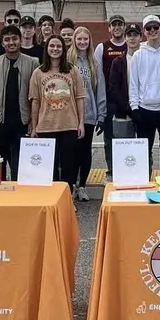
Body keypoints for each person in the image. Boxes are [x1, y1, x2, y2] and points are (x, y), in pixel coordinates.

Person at [29, 35, 85, 188]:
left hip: (69, 125)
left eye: (58, 46)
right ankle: (52, 200)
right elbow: (35, 101)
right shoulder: (38, 73)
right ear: (46, 49)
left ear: (64, 49)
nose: (55, 49)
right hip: (46, 126)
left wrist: (81, 123)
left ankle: (67, 199)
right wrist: (34, 127)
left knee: (68, 166)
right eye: (52, 46)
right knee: (49, 168)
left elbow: (80, 97)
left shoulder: (73, 71)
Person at [129, 15, 160, 178]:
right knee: (144, 150)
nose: (152, 31)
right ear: (144, 32)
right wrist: (134, 107)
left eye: (155, 27)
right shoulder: (138, 55)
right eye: (148, 28)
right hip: (145, 110)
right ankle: (144, 180)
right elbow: (134, 84)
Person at [0, 25, 39, 181]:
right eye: (7, 40)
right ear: (2, 43)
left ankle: (19, 198)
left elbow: (36, 96)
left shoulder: (33, 63)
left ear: (20, 40)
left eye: (14, 39)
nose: (11, 42)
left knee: (19, 165)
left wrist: (33, 121)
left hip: (22, 120)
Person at [69, 27, 105, 201]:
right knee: (71, 152)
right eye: (79, 39)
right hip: (69, 114)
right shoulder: (68, 61)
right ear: (74, 40)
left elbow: (100, 90)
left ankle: (82, 185)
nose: (82, 42)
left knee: (85, 151)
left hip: (89, 113)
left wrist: (101, 114)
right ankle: (69, 186)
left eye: (86, 39)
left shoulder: (94, 63)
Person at [94, 14, 128, 180]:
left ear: (124, 27)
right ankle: (111, 169)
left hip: (129, 100)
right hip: (109, 100)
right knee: (110, 136)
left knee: (129, 136)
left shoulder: (132, 44)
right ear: (109, 28)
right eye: (113, 25)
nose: (117, 27)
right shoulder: (102, 47)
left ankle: (128, 166)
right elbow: (97, 76)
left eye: (120, 24)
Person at [106, 24, 142, 135]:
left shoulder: (146, 58)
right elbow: (113, 87)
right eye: (129, 35)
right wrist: (128, 108)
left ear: (141, 37)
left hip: (144, 109)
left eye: (135, 35)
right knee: (125, 148)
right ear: (125, 38)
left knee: (143, 147)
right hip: (123, 112)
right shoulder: (118, 62)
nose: (132, 38)